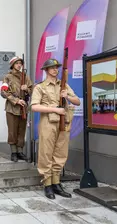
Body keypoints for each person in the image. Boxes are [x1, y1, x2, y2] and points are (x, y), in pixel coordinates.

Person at [30, 58, 80, 199]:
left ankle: (56, 183)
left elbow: (77, 101)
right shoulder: (40, 87)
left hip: (63, 123)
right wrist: (54, 109)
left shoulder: (63, 85)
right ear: (46, 70)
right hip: (48, 123)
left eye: (56, 67)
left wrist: (67, 96)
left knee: (60, 152)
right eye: (52, 68)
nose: (55, 70)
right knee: (46, 153)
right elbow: (34, 107)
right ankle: (47, 184)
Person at [1, 56, 33, 162]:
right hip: (12, 107)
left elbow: (33, 90)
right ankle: (13, 152)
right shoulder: (7, 77)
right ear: (12, 65)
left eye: (20, 63)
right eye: (17, 63)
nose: (19, 65)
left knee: (21, 130)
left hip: (23, 107)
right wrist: (16, 100)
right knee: (12, 131)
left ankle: (20, 152)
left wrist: (27, 89)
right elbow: (3, 92)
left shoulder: (25, 77)